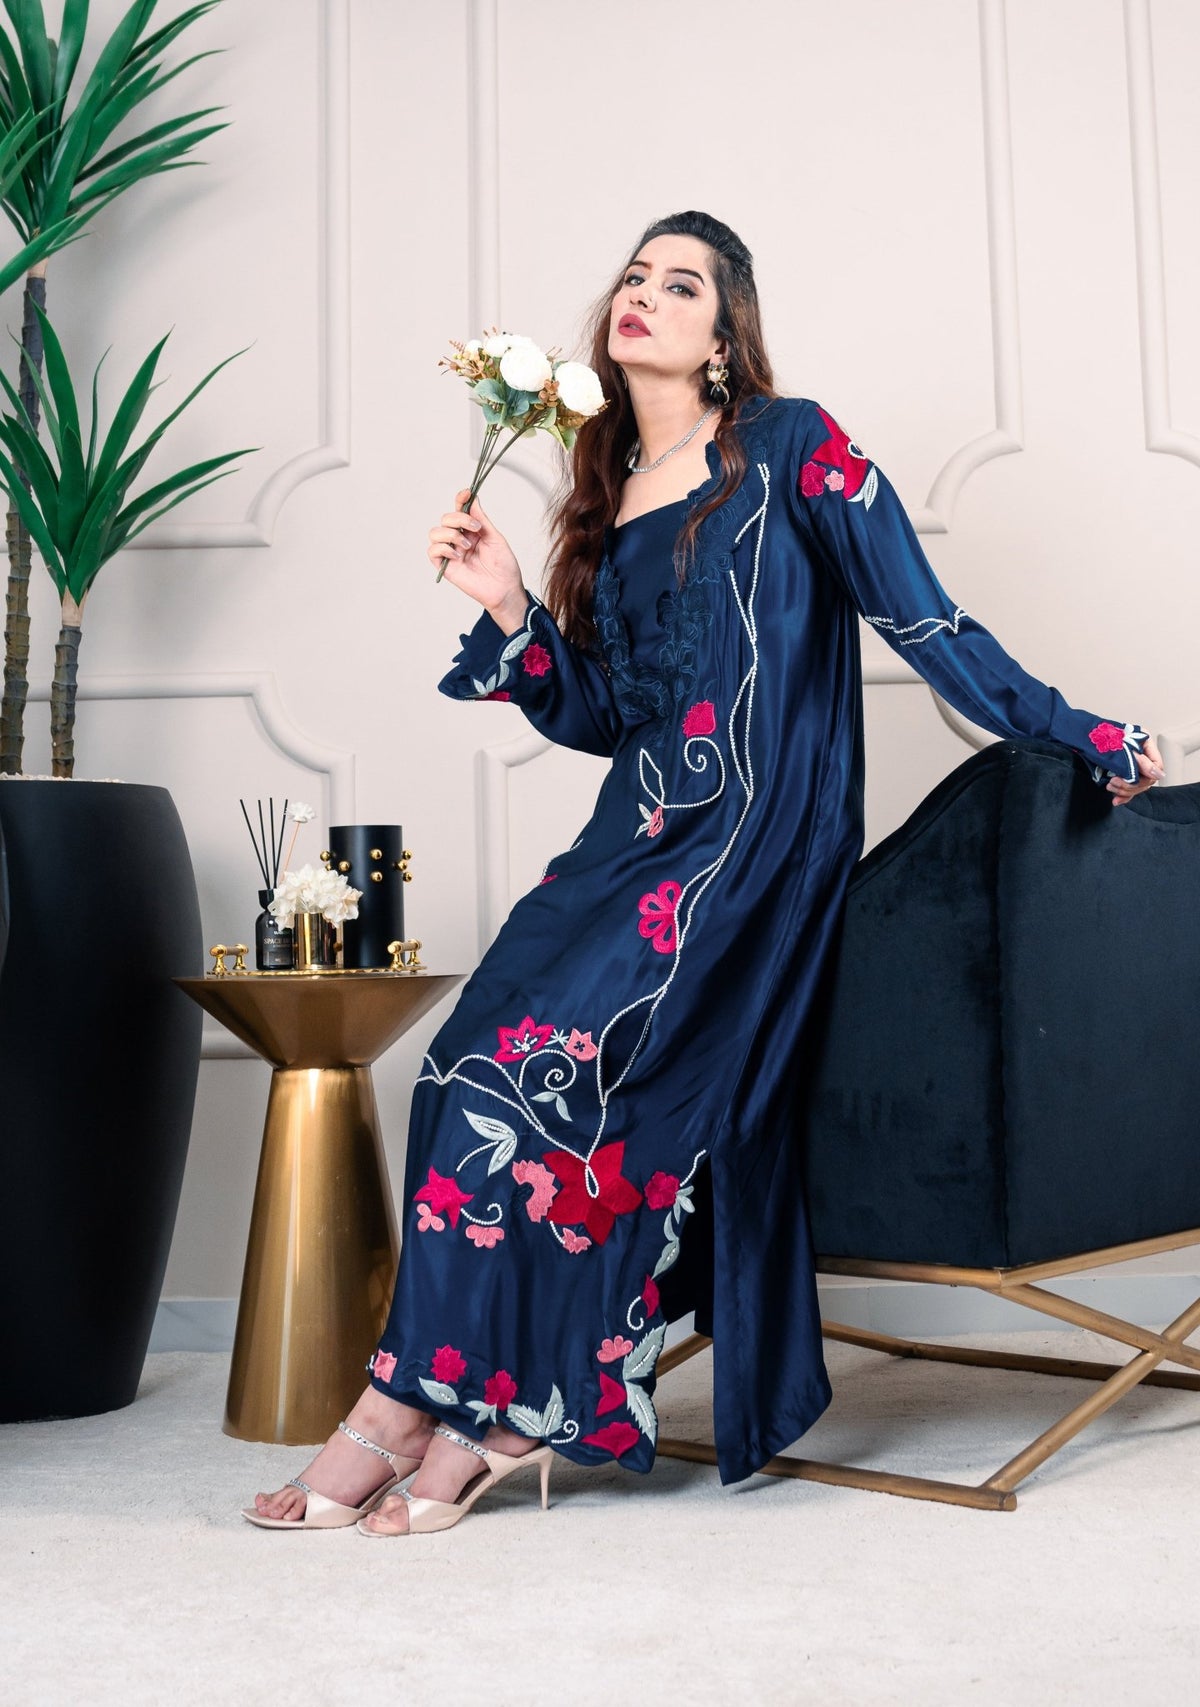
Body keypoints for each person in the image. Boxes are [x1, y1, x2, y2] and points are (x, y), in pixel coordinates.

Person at [247, 210, 1161, 1534]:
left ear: (725, 335)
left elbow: (924, 620)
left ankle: (492, 1414)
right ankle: (415, 1403)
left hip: (752, 847)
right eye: (634, 275)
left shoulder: (793, 447)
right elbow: (607, 715)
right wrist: (508, 604)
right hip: (628, 841)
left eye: (683, 285)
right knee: (463, 1072)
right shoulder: (607, 490)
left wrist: (1082, 731)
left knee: (572, 1078)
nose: (645, 295)